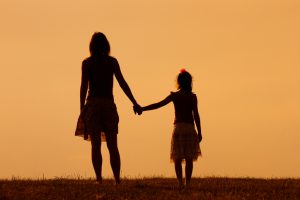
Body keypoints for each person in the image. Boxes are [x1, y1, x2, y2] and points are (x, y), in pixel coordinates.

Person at [75, 32, 141, 185]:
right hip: (108, 105)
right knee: (113, 145)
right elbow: (123, 83)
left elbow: (83, 87)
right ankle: (117, 180)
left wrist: (81, 108)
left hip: (92, 105)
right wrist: (134, 102)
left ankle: (99, 179)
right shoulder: (111, 62)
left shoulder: (87, 63)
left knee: (95, 145)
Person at [135, 69, 202, 189]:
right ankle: (187, 183)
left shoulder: (175, 96)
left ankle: (180, 183)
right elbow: (196, 114)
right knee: (189, 158)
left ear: (179, 82)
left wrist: (143, 109)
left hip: (179, 128)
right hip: (190, 128)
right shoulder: (192, 97)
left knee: (177, 157)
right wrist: (200, 131)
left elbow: (158, 104)